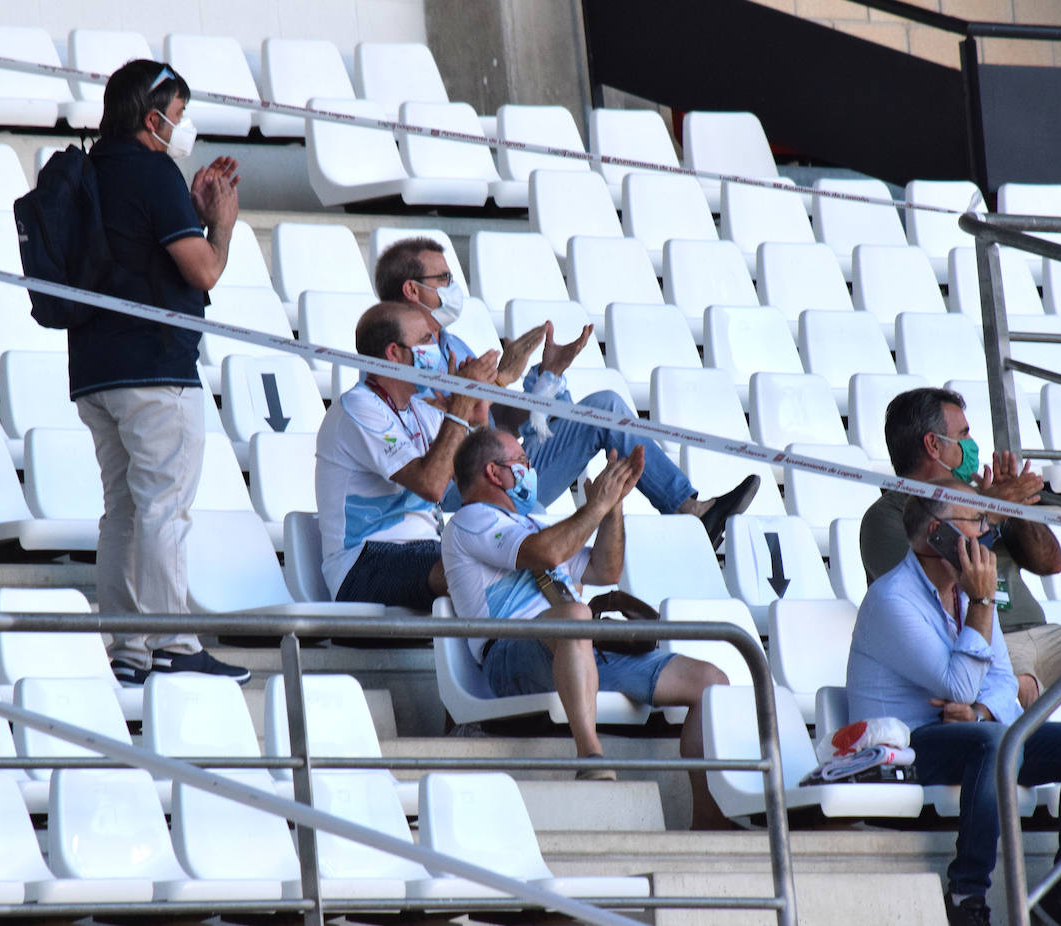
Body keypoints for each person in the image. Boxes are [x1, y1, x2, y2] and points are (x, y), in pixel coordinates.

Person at [373, 237, 758, 548]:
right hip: (458, 485)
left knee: (601, 406)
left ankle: (688, 509)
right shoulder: (398, 351)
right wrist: (503, 378)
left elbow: (495, 420)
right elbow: (441, 427)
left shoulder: (452, 344)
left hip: (501, 464)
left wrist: (547, 379)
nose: (454, 288)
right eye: (444, 279)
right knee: (566, 449)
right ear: (412, 289)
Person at [848, 485, 1061, 926]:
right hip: (904, 745)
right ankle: (967, 897)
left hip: (968, 735)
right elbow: (959, 683)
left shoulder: (964, 594)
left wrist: (979, 713)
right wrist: (982, 601)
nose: (988, 532)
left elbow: (1001, 683)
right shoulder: (893, 598)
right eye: (976, 522)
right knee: (991, 745)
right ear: (938, 534)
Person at [442, 427, 732, 829]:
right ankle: (590, 755)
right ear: (494, 473)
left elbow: (605, 569)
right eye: (522, 463)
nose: (530, 469)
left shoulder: (532, 522)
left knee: (710, 681)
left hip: (577, 645)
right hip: (512, 653)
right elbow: (545, 552)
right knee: (577, 615)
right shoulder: (470, 519)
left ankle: (708, 815)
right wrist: (594, 507)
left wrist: (612, 506)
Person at [71, 60, 247, 685]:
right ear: (153, 120)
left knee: (122, 507)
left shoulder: (91, 170)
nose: (182, 126)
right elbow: (202, 270)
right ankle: (172, 639)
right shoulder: (153, 171)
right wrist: (219, 224)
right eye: (176, 115)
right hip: (154, 368)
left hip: (94, 369)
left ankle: (127, 647)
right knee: (162, 508)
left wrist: (189, 214)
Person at [860, 387, 1061, 734]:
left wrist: (1016, 509)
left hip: (1040, 631)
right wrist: (988, 508)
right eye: (963, 435)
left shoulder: (983, 493)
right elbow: (928, 581)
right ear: (933, 445)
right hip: (980, 640)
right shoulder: (885, 517)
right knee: (1020, 686)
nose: (972, 445)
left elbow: (1051, 563)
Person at [315, 302, 498, 609]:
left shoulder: (421, 409)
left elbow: (481, 484)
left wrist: (477, 416)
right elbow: (432, 485)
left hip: (424, 552)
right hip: (362, 563)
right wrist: (459, 407)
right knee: (472, 562)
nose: (436, 348)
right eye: (427, 340)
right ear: (394, 354)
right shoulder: (358, 407)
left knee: (513, 553)